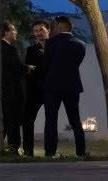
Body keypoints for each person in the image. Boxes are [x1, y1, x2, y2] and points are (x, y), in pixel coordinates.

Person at [43, 15, 87, 157]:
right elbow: (77, 63)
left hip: (53, 86)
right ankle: (81, 151)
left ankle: (50, 152)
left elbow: (46, 64)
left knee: (51, 119)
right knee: (75, 119)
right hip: (72, 85)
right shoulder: (80, 44)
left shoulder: (51, 43)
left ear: (60, 26)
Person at [21, 18, 49, 156]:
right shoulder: (31, 50)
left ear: (48, 30)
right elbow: (29, 71)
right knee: (27, 121)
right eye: (36, 31)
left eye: (41, 30)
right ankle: (28, 151)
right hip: (34, 91)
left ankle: (50, 152)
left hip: (51, 90)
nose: (38, 33)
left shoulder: (55, 47)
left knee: (51, 121)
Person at [0, 21, 25, 151]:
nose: (15, 32)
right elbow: (16, 68)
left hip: (4, 91)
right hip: (12, 90)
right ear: (5, 32)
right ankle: (13, 147)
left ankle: (2, 146)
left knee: (6, 120)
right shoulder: (9, 49)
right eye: (13, 30)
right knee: (13, 120)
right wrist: (28, 68)